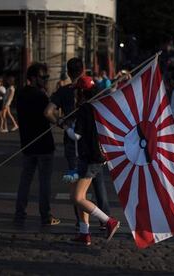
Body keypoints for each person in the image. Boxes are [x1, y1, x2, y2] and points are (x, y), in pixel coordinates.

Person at [44, 58, 111, 230]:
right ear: (83, 70)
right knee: (98, 182)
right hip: (95, 142)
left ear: (68, 72)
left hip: (74, 146)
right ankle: (104, 219)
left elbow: (47, 112)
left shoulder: (65, 91)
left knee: (77, 187)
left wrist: (61, 123)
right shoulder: (94, 90)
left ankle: (82, 224)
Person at [64, 76, 120, 245]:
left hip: (89, 158)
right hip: (93, 156)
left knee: (77, 198)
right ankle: (84, 233)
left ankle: (109, 221)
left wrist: (65, 126)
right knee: (78, 194)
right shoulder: (98, 107)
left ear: (81, 92)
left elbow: (76, 135)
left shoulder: (84, 109)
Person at [14, 63, 60, 226]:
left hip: (27, 143)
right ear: (33, 78)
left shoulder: (20, 94)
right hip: (43, 144)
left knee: (25, 180)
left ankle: (20, 213)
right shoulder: (40, 96)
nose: (46, 79)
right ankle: (45, 216)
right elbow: (49, 114)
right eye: (43, 77)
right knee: (44, 182)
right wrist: (59, 122)